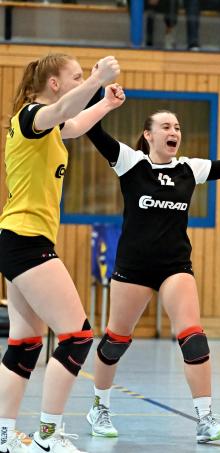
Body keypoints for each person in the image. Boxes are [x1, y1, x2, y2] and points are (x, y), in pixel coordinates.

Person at [81, 93, 220, 443]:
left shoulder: (189, 168)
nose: (175, 131)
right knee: (115, 341)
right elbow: (93, 132)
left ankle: (205, 418)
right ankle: (99, 407)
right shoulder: (131, 163)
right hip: (133, 267)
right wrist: (102, 99)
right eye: (166, 126)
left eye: (178, 127)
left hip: (175, 266)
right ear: (149, 135)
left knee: (193, 337)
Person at [0, 53, 120, 453]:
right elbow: (65, 110)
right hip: (26, 240)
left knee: (26, 342)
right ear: (53, 83)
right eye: (76, 77)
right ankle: (47, 437)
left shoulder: (47, 125)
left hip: (20, 240)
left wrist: (105, 102)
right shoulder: (31, 116)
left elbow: (73, 123)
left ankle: (4, 436)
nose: (81, 81)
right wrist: (97, 82)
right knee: (77, 335)